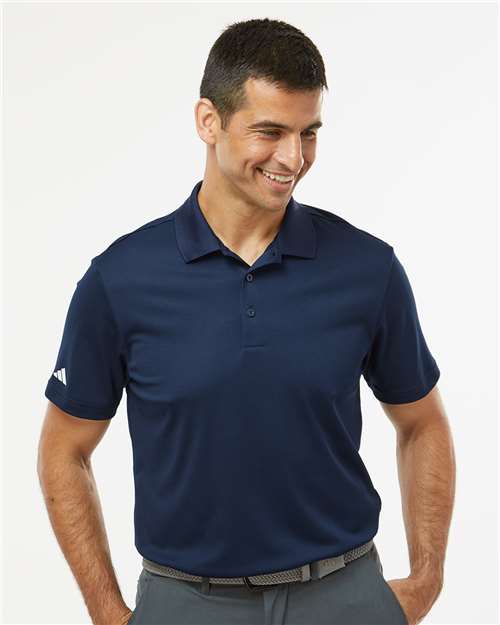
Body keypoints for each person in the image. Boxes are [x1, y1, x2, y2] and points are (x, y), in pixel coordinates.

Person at [37, 17, 455, 625]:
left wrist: (426, 579)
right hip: (186, 603)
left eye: (309, 133)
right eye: (270, 131)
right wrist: (107, 612)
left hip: (343, 597)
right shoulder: (120, 280)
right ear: (209, 121)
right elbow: (64, 449)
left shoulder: (368, 269)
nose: (293, 158)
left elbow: (422, 423)